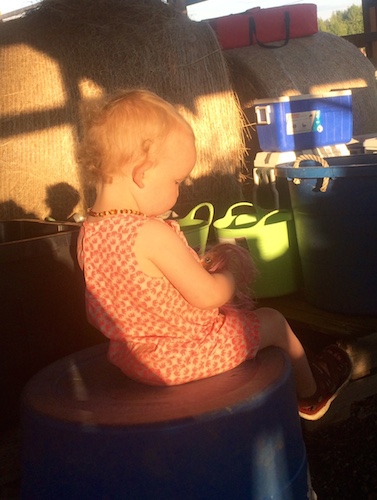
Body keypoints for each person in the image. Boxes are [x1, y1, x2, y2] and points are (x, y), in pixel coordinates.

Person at [77, 88, 352, 421]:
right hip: (184, 356)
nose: (180, 191)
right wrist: (228, 277)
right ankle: (311, 393)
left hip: (132, 359)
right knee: (273, 322)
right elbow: (207, 297)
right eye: (177, 180)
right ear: (143, 173)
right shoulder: (149, 233)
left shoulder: (88, 231)